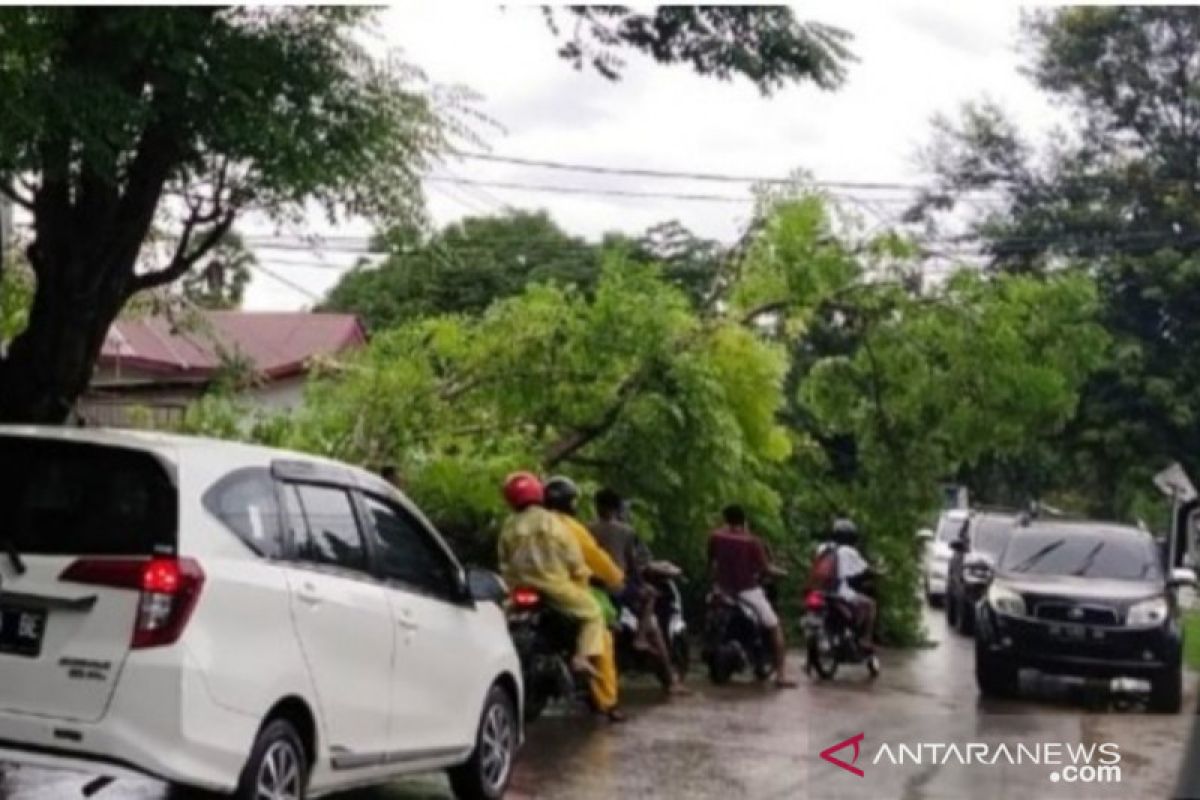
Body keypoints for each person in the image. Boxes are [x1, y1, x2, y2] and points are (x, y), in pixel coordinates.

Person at [497, 472, 606, 682]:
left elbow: (503, 561)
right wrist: (583, 573)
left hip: (519, 588)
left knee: (500, 620)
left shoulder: (509, 526)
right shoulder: (553, 522)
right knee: (592, 613)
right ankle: (581, 658)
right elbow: (572, 556)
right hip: (555, 587)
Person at [543, 476, 628, 722]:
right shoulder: (570, 526)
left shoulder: (525, 522)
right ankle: (607, 700)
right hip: (566, 589)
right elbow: (595, 557)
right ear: (569, 502)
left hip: (525, 587)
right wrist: (615, 576)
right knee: (601, 634)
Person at [590, 487, 690, 696]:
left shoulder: (586, 528)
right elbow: (633, 564)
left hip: (592, 586)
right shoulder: (626, 531)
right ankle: (642, 640)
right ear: (617, 509)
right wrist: (642, 584)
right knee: (651, 601)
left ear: (597, 506)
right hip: (617, 587)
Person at [707, 504, 796, 688]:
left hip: (722, 590)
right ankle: (781, 676)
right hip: (747, 591)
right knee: (774, 626)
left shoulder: (715, 537)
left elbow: (711, 561)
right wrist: (782, 573)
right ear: (744, 520)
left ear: (726, 519)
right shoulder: (752, 542)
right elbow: (765, 569)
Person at [812, 518, 876, 649]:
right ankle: (865, 639)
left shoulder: (822, 548)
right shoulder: (849, 551)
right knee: (870, 605)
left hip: (818, 590)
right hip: (840, 592)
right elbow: (865, 569)